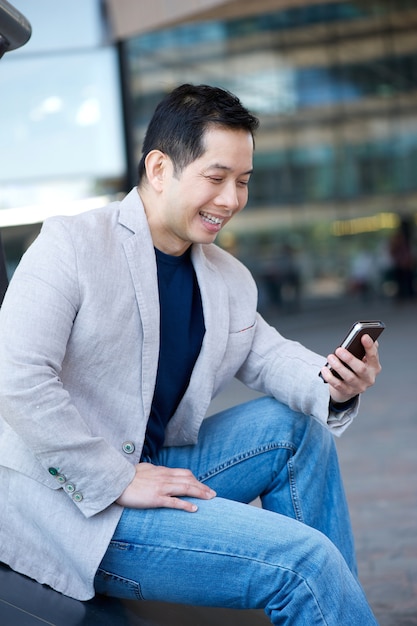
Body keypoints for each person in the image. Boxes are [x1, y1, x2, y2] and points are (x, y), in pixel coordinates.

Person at [0, 84, 381, 624]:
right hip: (74, 507)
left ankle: (328, 608)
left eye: (243, 181)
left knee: (299, 430)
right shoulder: (72, 245)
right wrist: (116, 478)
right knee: (304, 559)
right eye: (216, 177)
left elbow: (271, 357)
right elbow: (16, 379)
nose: (231, 199)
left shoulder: (227, 276)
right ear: (159, 168)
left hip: (153, 467)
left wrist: (335, 383)